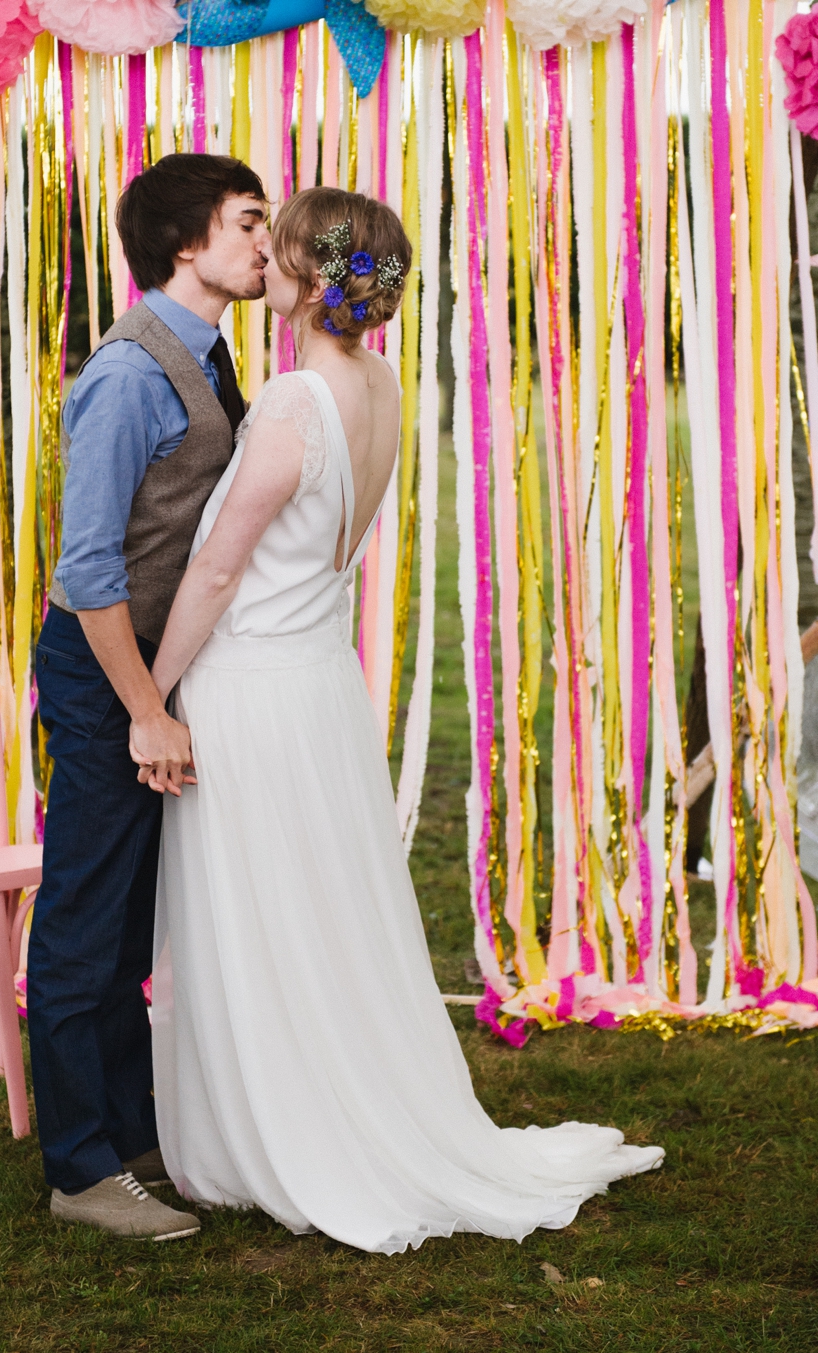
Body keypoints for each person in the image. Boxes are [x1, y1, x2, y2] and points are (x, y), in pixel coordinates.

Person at [145, 185, 664, 1255]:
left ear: (305, 274)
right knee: (318, 911)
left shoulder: (294, 403)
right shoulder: (374, 383)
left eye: (276, 246)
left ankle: (283, 1131)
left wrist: (149, 696)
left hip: (257, 688)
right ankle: (331, 1098)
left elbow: (213, 572)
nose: (263, 258)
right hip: (320, 681)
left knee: (268, 913)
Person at [27, 154, 270, 1241]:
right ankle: (79, 1171)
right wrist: (144, 708)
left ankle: (127, 1134)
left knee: (129, 924)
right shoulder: (131, 374)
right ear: (187, 242)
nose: (269, 242)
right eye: (250, 221)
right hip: (102, 672)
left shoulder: (210, 352)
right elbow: (88, 572)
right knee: (85, 919)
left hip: (145, 672)